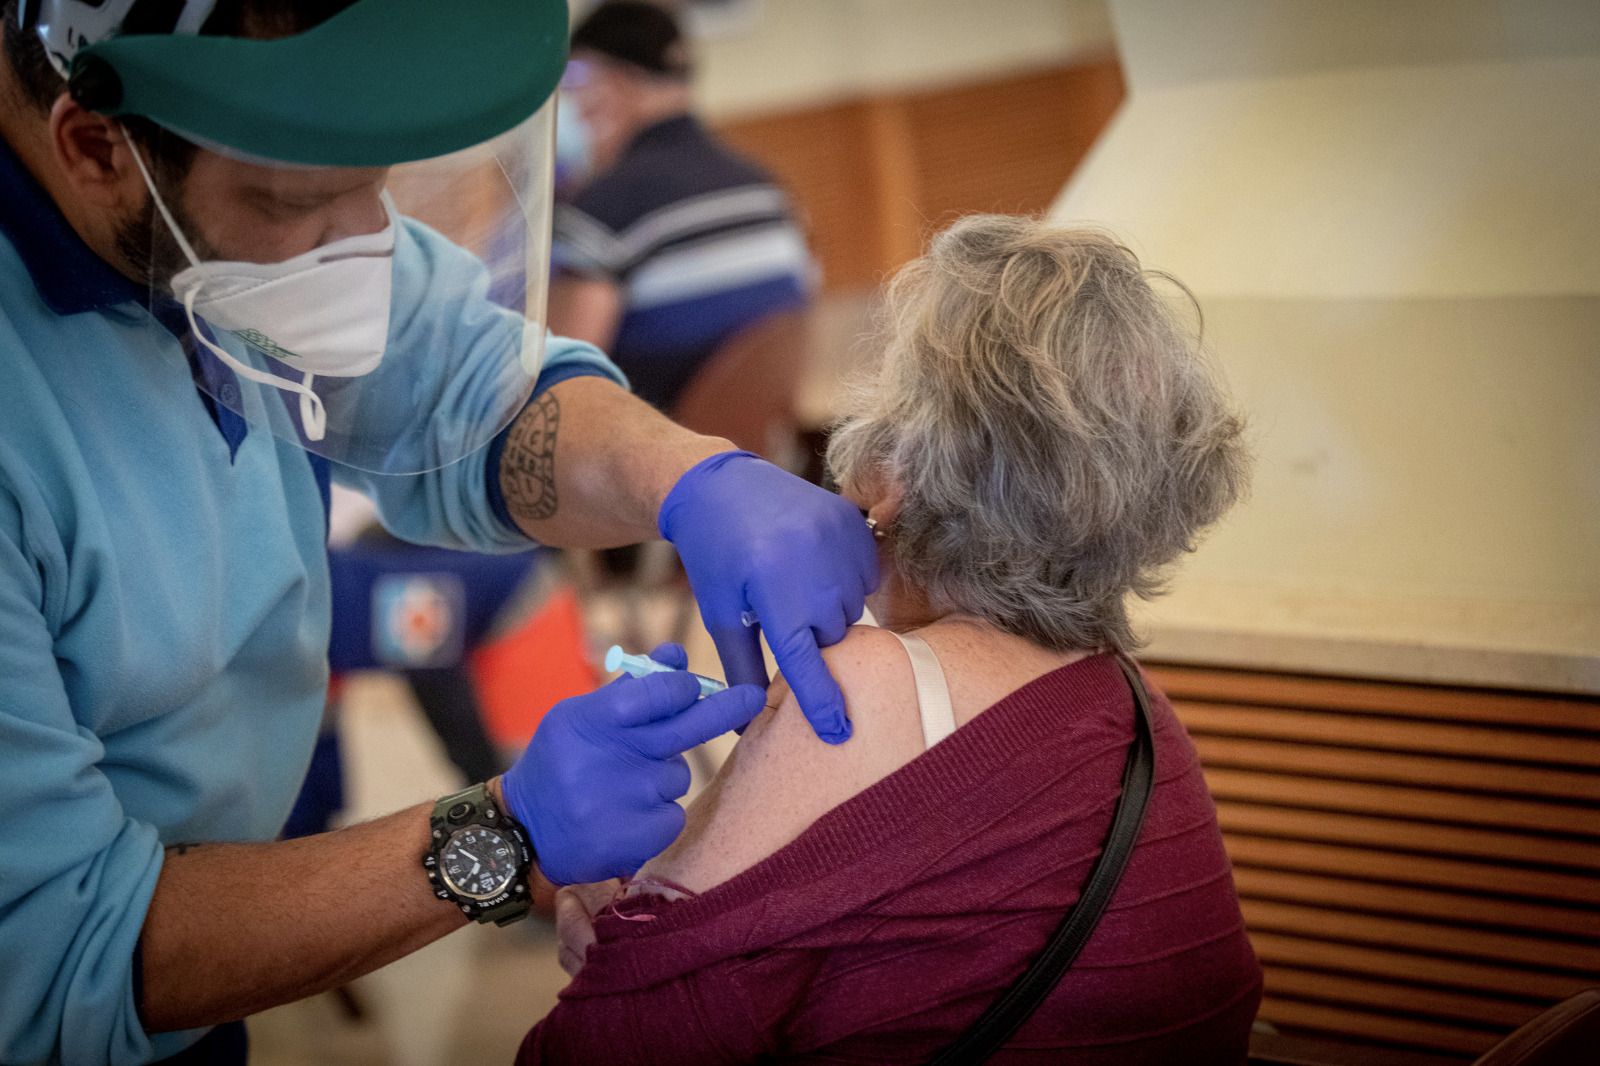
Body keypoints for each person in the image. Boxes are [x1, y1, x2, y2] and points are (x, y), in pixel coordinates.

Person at [0, 2, 876, 1063]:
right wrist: (502, 835)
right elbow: (59, 956)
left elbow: (477, 393)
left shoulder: (223, 205)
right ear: (97, 148)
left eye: (376, 180)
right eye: (303, 199)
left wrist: (690, 475)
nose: (371, 236)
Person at [523, 216, 1263, 1063]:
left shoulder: (866, 689)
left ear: (892, 475)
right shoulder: (1140, 708)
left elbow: (594, 1047)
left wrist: (621, 943)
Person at [548, 0, 816, 413]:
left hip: (660, 462)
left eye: (576, 84)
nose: (574, 108)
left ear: (613, 86)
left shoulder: (602, 213)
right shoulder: (765, 190)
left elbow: (563, 386)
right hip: (764, 458)